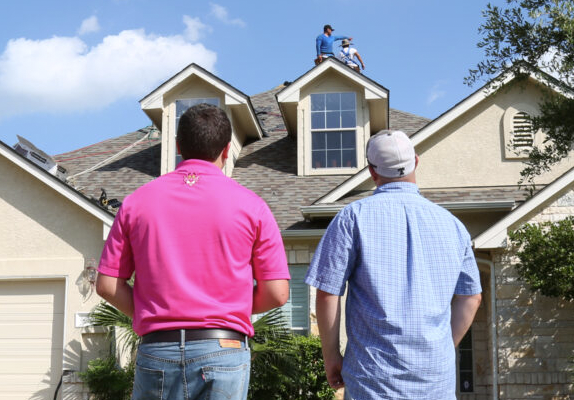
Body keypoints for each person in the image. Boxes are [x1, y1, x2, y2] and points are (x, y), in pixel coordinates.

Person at [95, 103, 290, 400]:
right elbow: (277, 293)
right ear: (227, 150)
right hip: (223, 348)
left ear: (176, 147)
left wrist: (152, 313)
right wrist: (224, 310)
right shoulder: (252, 207)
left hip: (158, 346)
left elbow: (108, 286)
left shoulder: (136, 204)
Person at [305, 130, 483, 400]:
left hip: (373, 382)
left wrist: (331, 357)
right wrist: (444, 347)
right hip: (435, 384)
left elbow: (328, 292)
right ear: (416, 161)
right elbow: (472, 298)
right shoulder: (453, 225)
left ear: (372, 172)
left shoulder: (352, 218)